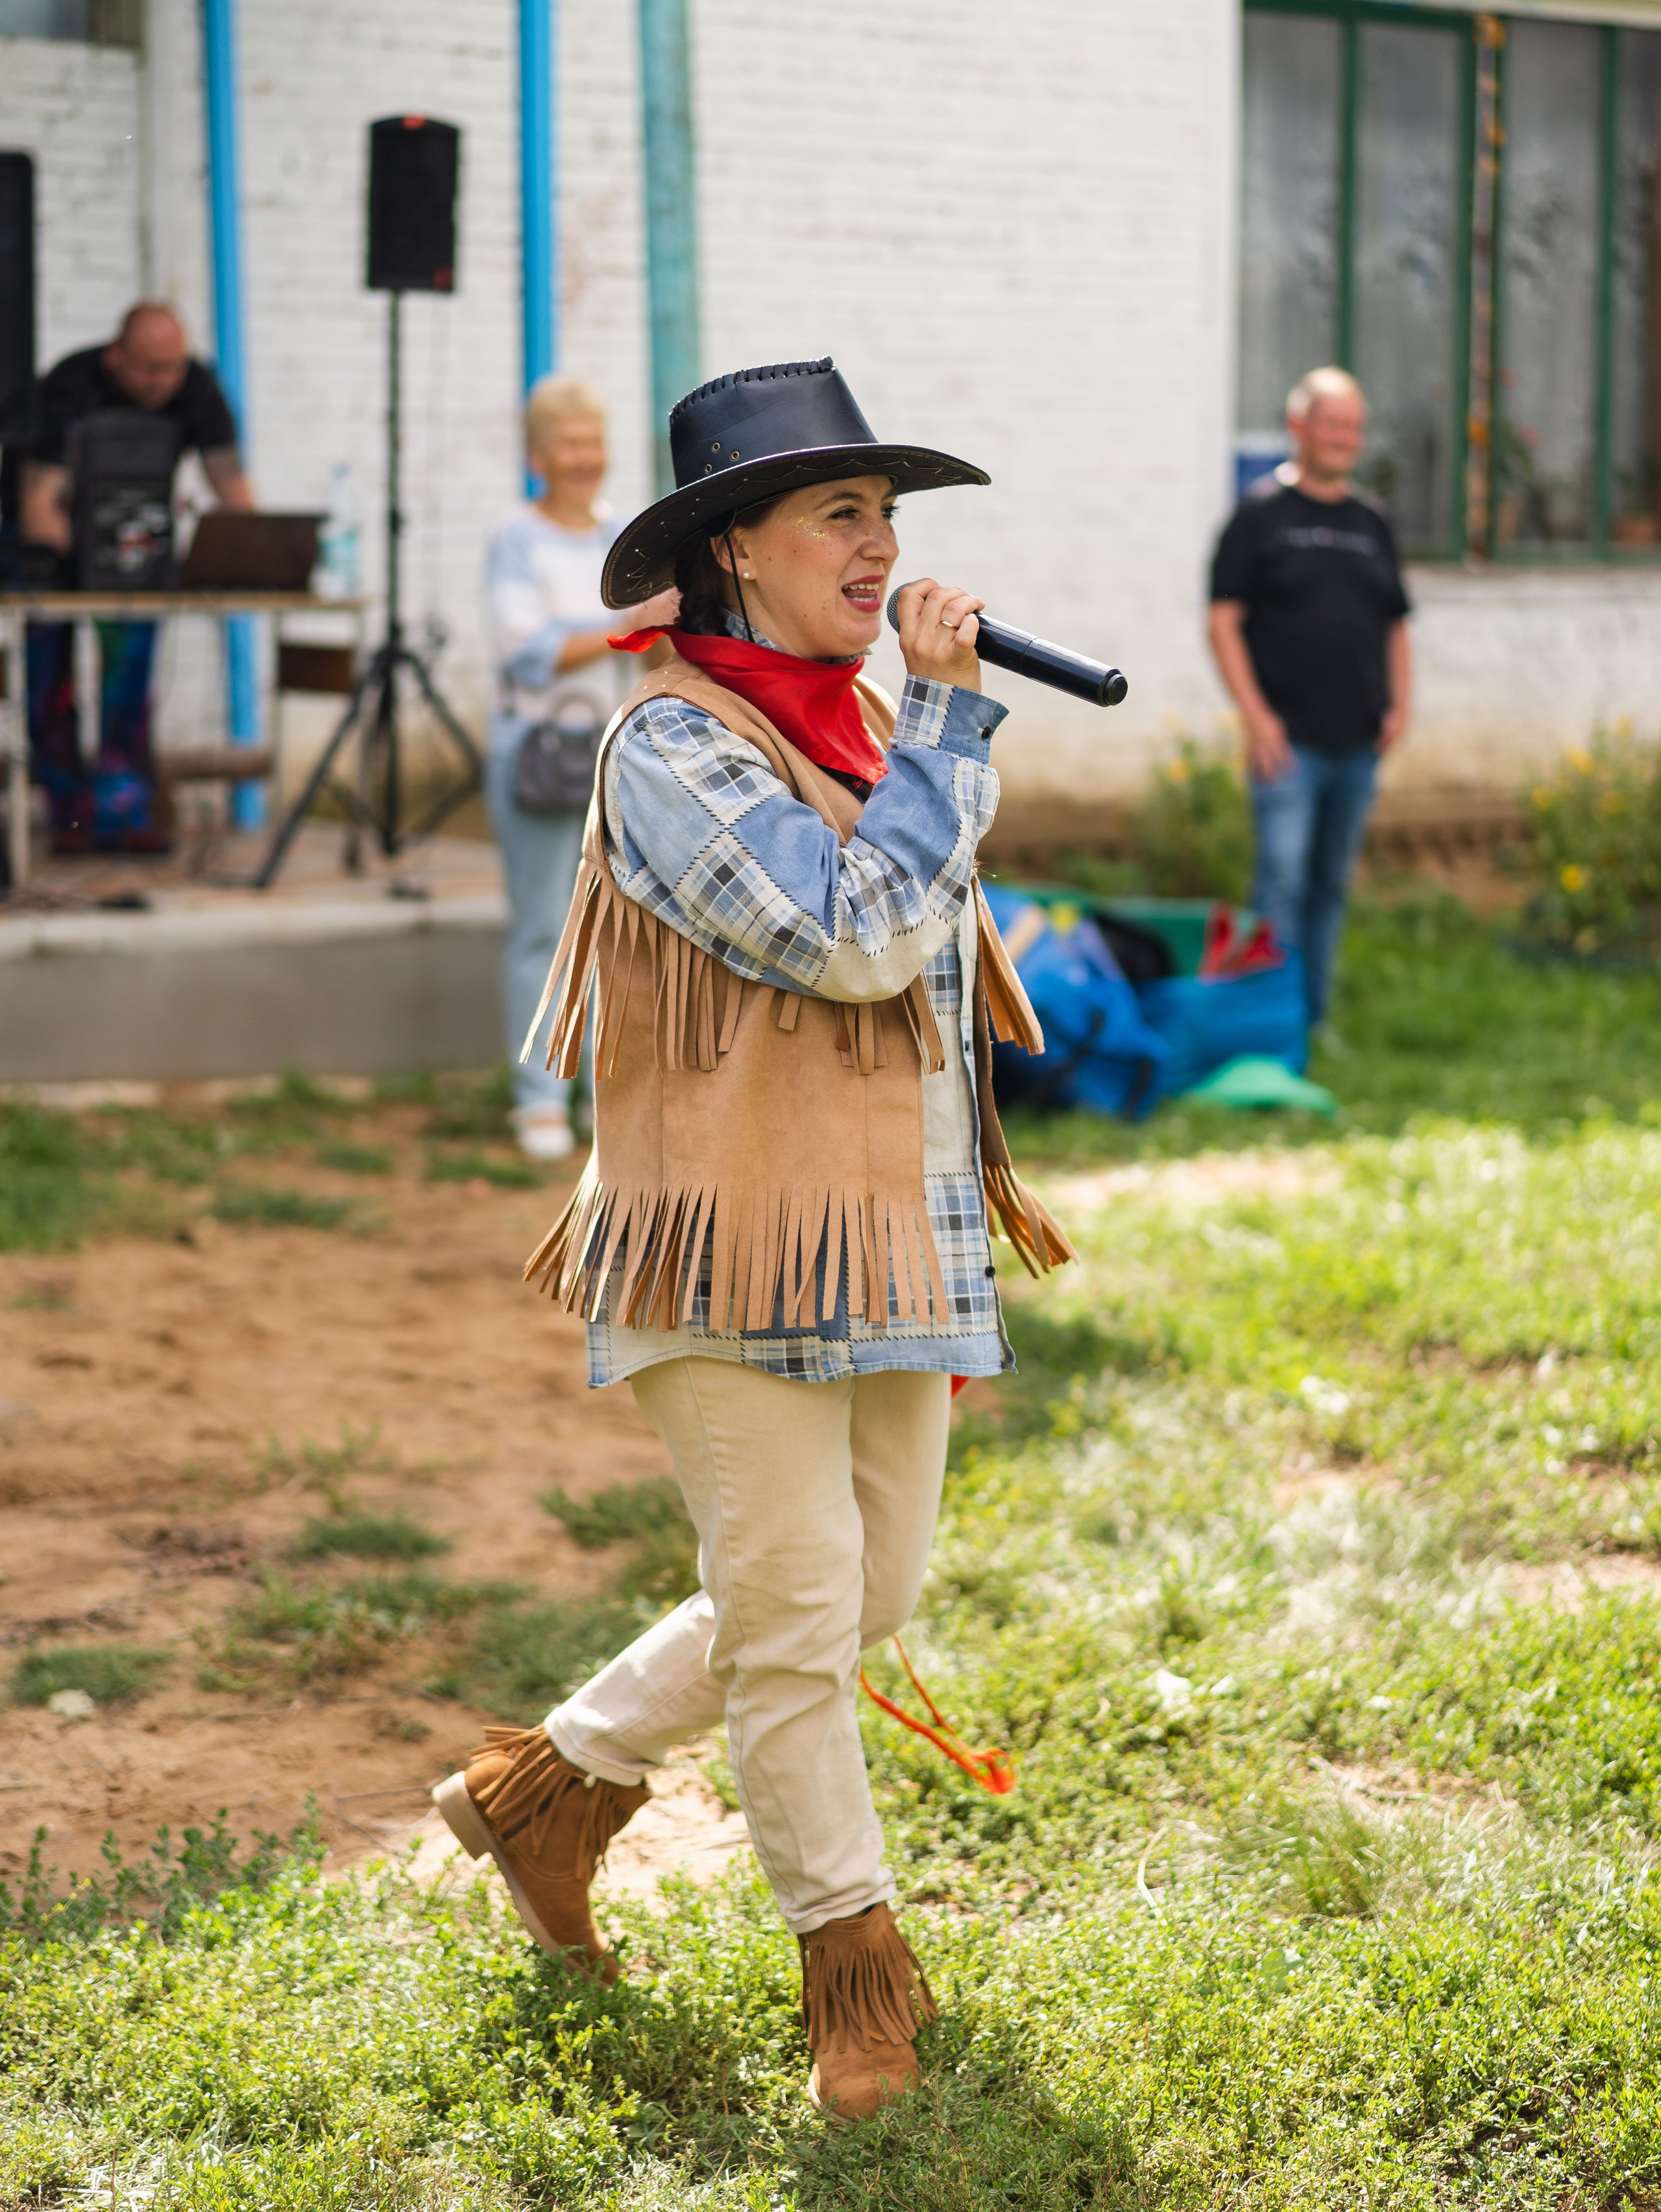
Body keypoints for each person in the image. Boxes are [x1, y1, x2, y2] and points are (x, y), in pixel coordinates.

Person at [433, 357, 1073, 2122]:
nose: (881, 548)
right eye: (838, 514)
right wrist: (949, 730)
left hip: (888, 1240)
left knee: (864, 1593)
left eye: (887, 515)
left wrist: (926, 734)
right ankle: (854, 1981)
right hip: (720, 1250)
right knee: (794, 1627)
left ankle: (551, 1786)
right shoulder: (672, 745)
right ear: (734, 550)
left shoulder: (866, 730)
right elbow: (849, 936)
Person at [483, 376, 678, 1160]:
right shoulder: (516, 539)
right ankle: (538, 1098)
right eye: (568, 443)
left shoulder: (622, 534)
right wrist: (628, 624)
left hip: (615, 757)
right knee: (543, 930)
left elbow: (651, 648)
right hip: (537, 755)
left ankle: (608, 1097)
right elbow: (526, 652)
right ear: (537, 456)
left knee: (618, 935)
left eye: (592, 441)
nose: (584, 457)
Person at [6, 302, 256, 852]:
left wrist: (260, 548)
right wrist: (85, 563)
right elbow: (38, 506)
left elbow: (231, 485)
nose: (163, 382)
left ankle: (122, 815)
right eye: (150, 369)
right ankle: (70, 819)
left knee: (129, 683)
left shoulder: (197, 389)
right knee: (51, 687)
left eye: (173, 368)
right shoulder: (70, 385)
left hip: (133, 556)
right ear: (116, 356)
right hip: (51, 553)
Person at [1207, 366, 1412, 1030]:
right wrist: (1257, 718)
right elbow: (1223, 621)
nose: (1345, 438)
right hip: (1286, 743)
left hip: (1358, 741)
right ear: (1298, 426)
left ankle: (1311, 1022)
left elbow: (1395, 624)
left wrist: (1400, 706)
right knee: (1281, 884)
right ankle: (1267, 1026)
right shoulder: (1259, 516)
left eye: (1354, 427)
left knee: (1329, 887)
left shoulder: (1371, 521)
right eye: (1333, 425)